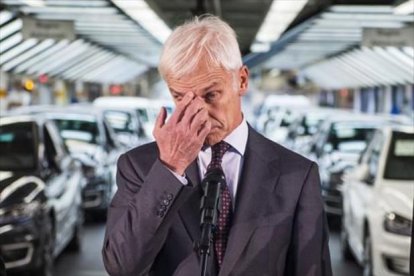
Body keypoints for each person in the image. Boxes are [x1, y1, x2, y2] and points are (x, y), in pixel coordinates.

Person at [102, 15, 332, 276]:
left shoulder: (297, 176)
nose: (199, 112)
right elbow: (121, 267)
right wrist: (170, 168)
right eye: (181, 97)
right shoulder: (140, 168)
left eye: (211, 95)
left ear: (242, 81)